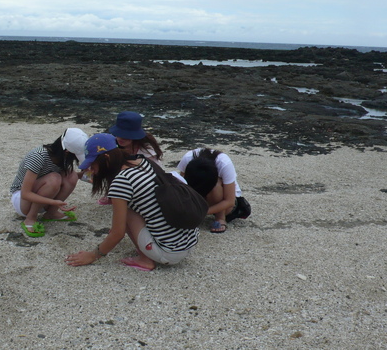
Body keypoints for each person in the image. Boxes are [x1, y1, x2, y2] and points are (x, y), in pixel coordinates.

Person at [66, 133, 199, 271]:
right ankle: (150, 248)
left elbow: (118, 233)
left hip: (168, 253)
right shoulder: (141, 161)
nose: (90, 169)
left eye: (92, 164)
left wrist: (92, 255)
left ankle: (145, 259)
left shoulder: (121, 181)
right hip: (187, 242)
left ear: (106, 158)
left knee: (126, 213)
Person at [10, 128, 88, 237]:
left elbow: (73, 177)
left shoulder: (62, 157)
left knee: (71, 175)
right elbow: (25, 193)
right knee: (54, 178)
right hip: (22, 201)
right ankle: (30, 218)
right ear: (67, 152)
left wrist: (89, 176)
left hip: (42, 198)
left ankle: (51, 213)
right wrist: (54, 202)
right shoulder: (39, 156)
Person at [95, 111, 164, 205]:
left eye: (126, 136)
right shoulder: (113, 144)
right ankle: (113, 194)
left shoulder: (147, 150)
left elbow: (154, 174)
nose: (121, 138)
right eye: (119, 134)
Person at [178, 148, 251, 233]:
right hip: (198, 192)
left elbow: (229, 201)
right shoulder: (188, 158)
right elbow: (182, 183)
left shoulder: (224, 163)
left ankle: (220, 218)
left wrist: (201, 213)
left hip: (222, 200)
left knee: (216, 185)